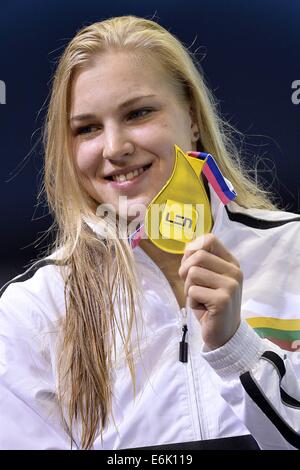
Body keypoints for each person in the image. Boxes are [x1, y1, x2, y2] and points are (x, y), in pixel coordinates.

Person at [0, 15, 300, 451]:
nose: (115, 147)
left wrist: (237, 349)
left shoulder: (292, 253)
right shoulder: (31, 312)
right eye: (87, 128)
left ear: (192, 117)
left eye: (138, 113)